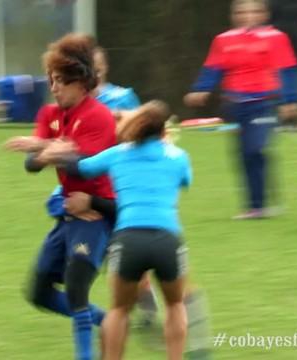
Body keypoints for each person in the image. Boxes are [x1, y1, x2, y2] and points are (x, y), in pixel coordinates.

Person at [38, 100, 192, 360]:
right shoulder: (178, 157)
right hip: (167, 240)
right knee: (175, 304)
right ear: (163, 131)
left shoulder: (118, 153)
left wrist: (56, 150)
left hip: (128, 240)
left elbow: (80, 167)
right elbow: (185, 180)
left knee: (119, 310)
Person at [4, 33, 116, 360]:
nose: (53, 88)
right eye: (51, 80)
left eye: (61, 81)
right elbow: (31, 164)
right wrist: (48, 151)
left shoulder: (99, 116)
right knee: (37, 292)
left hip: (97, 215)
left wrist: (49, 150)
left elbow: (85, 168)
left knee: (76, 282)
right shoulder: (49, 115)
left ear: (81, 82)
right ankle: (106, 320)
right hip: (68, 213)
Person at [46, 46, 160, 327]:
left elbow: (140, 135)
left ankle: (138, 297)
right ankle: (124, 306)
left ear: (102, 70)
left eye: (94, 69)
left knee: (116, 250)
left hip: (116, 184)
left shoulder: (122, 98)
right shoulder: (68, 107)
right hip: (88, 185)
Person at [184, 0, 297, 219]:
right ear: (234, 15)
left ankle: (262, 198)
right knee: (244, 154)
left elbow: (287, 70)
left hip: (265, 103)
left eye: (254, 11)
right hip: (236, 105)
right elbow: (213, 68)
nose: (248, 16)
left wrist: (290, 100)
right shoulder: (223, 40)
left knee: (255, 149)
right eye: (242, 11)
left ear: (264, 14)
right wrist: (200, 89)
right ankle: (256, 206)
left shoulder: (276, 38)